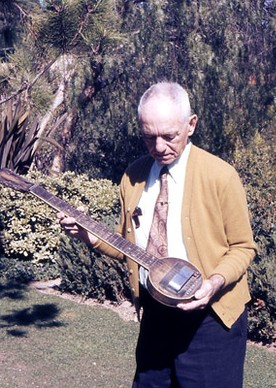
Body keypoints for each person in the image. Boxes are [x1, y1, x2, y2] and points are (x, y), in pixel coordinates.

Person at [58, 82, 256, 387]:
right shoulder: (133, 176)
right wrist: (90, 236)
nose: (159, 147)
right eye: (149, 137)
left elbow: (243, 247)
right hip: (155, 318)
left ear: (191, 125)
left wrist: (213, 282)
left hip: (212, 319)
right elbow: (130, 248)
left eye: (169, 136)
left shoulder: (221, 176)